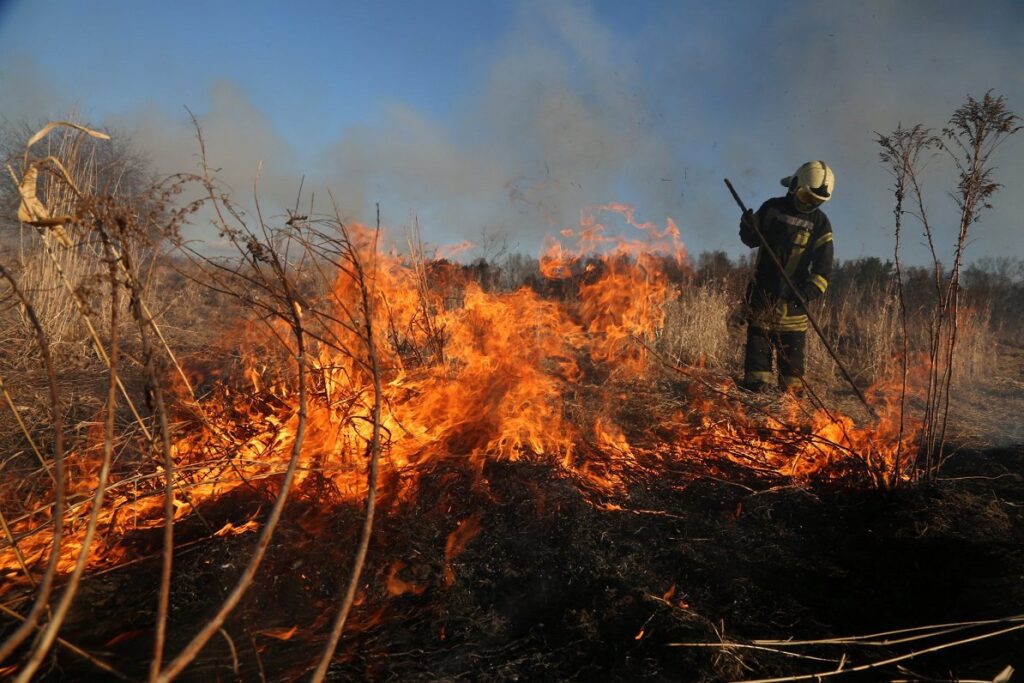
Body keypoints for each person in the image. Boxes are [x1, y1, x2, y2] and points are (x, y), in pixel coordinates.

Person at [738, 160, 835, 394]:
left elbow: (823, 272)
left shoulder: (821, 224)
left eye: (815, 201)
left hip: (794, 311)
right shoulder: (773, 208)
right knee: (756, 372)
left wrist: (806, 293)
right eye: (805, 197)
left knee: (792, 378)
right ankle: (756, 407)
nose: (808, 204)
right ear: (794, 186)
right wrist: (749, 226)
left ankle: (789, 414)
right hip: (762, 301)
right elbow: (751, 240)